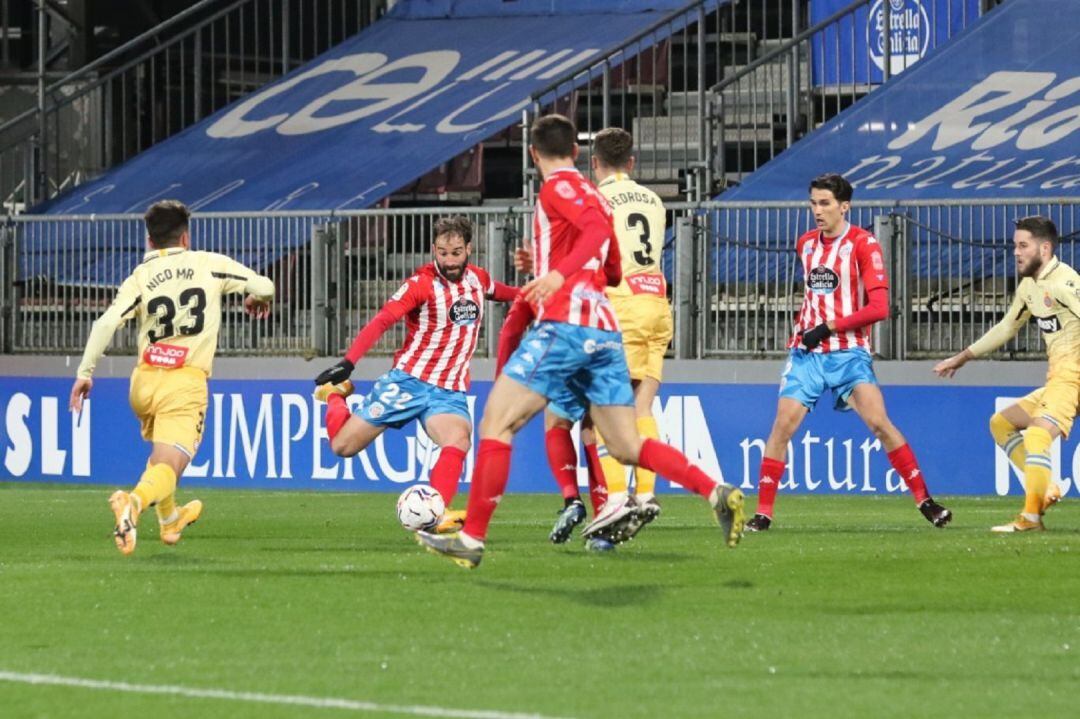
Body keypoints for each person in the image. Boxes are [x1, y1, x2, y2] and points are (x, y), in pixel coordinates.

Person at [417, 114, 745, 569]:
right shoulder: (596, 194)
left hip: (567, 326)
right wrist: (547, 262)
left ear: (534, 155)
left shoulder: (560, 188)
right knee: (627, 445)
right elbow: (610, 263)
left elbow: (592, 232)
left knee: (496, 423)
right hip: (606, 330)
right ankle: (716, 491)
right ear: (575, 150)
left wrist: (555, 272)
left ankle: (471, 539)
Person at [745, 173, 952, 532]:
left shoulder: (863, 244)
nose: (817, 211)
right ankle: (763, 514)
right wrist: (803, 328)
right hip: (807, 355)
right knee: (781, 427)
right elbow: (816, 297)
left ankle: (925, 501)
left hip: (849, 354)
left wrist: (827, 328)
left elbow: (879, 308)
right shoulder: (806, 244)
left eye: (824, 203)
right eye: (813, 203)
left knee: (879, 424)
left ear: (845, 206)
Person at [69, 200, 274, 555]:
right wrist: (255, 297)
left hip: (144, 382)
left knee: (161, 457)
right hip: (184, 382)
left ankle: (170, 521)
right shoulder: (208, 264)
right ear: (185, 236)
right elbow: (266, 286)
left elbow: (105, 324)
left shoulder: (140, 276)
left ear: (149, 241)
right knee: (170, 464)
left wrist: (84, 374)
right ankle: (133, 502)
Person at [313, 216, 518, 530]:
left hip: (448, 390)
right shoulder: (421, 284)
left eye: (457, 252)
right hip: (409, 381)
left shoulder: (478, 279)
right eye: (443, 253)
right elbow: (382, 320)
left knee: (458, 439)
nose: (449, 261)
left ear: (469, 249)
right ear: (433, 249)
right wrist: (349, 361)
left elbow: (508, 293)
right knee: (343, 447)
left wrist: (545, 294)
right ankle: (334, 396)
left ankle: (436, 514)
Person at [934, 216, 1071, 531]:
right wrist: (963, 356)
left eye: (1023, 245)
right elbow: (1008, 326)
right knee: (1002, 423)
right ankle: (1046, 489)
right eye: (1014, 246)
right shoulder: (1030, 287)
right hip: (1060, 379)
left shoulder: (1066, 285)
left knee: (1037, 435)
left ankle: (1031, 517)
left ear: (1045, 248)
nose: (1016, 252)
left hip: (1074, 377)